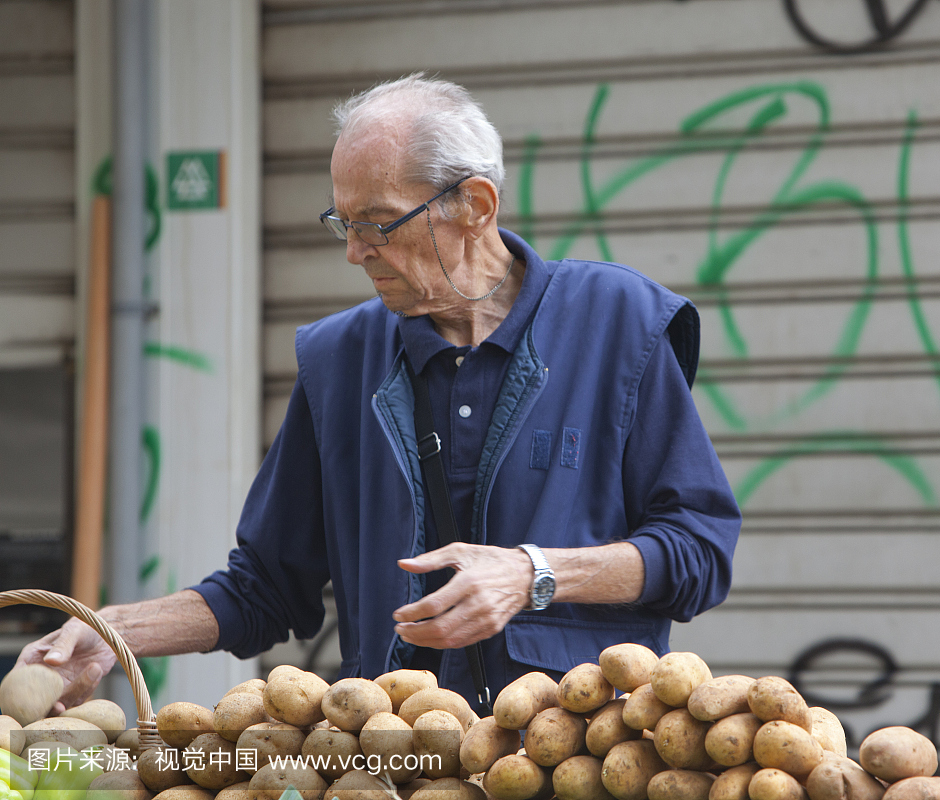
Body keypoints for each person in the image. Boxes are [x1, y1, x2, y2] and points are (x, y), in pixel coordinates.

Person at [20, 75, 740, 711]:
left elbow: (699, 552)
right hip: (394, 762)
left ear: (474, 206)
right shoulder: (339, 359)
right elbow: (266, 586)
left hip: (584, 756)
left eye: (376, 224)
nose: (354, 252)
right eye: (343, 221)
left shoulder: (619, 322)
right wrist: (112, 632)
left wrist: (534, 573)